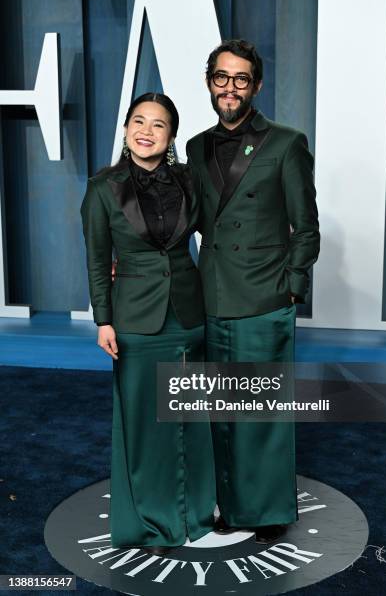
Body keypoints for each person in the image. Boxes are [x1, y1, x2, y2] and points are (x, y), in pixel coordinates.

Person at [186, 39, 320, 543]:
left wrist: (291, 290)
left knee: (262, 414)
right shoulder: (196, 147)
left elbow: (305, 227)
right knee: (221, 412)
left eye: (241, 79)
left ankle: (266, 511)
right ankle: (232, 503)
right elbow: (193, 219)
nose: (231, 88)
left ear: (256, 86)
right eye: (222, 77)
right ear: (210, 82)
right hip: (212, 297)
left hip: (265, 298)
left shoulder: (286, 143)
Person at [80, 92, 215, 556]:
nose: (146, 130)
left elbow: (215, 239)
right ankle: (150, 522)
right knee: (144, 427)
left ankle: (195, 515)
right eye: (139, 121)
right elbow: (98, 262)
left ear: (171, 136)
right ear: (125, 129)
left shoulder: (189, 181)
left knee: (193, 421)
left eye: (159, 125)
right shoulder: (102, 187)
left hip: (188, 315)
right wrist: (104, 321)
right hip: (135, 320)